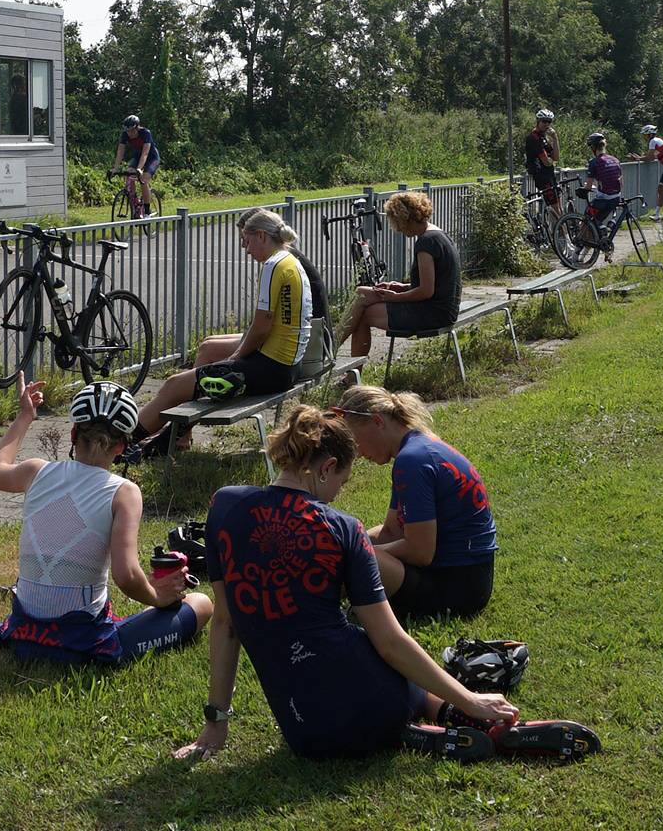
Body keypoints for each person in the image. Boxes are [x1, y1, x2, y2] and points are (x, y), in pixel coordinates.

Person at [173, 405, 597, 763]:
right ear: (328, 468)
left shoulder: (224, 506)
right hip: (376, 698)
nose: (338, 494)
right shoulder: (344, 529)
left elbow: (226, 624)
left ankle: (411, 732)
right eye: (342, 481)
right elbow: (391, 642)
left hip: (305, 731)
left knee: (336, 670)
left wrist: (216, 725)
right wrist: (471, 697)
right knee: (367, 647)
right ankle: (450, 714)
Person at [0, 377, 212, 663]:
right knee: (201, 604)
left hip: (22, 631)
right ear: (121, 447)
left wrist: (25, 416)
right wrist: (157, 595)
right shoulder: (124, 492)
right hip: (82, 642)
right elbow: (127, 576)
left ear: (72, 433)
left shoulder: (35, 471)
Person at [126, 208, 320, 453]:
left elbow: (262, 327)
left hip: (271, 368)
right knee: (189, 375)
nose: (247, 250)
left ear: (261, 236)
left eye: (247, 242)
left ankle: (125, 443)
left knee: (174, 385)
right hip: (286, 367)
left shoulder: (273, 265)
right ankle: (168, 440)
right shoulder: (290, 260)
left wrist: (235, 358)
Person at [329, 385, 496, 620]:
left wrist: (357, 556)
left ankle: (317, 606)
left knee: (357, 558)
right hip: (472, 577)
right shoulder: (420, 445)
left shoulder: (412, 460)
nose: (356, 453)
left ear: (377, 421)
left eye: (356, 441)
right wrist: (342, 547)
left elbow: (420, 552)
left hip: (458, 590)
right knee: (350, 549)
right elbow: (391, 530)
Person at [334, 192, 460, 357]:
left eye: (396, 223)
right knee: (362, 294)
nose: (397, 229)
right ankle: (332, 349)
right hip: (443, 308)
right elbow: (434, 284)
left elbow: (426, 291)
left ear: (404, 219)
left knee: (362, 308)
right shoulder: (437, 234)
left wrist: (394, 297)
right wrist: (401, 287)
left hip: (434, 313)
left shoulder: (426, 243)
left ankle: (330, 352)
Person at [580, 131, 624, 261]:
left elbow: (588, 186)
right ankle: (603, 237)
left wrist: (584, 189)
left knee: (586, 221)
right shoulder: (615, 160)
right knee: (596, 222)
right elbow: (621, 181)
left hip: (603, 199)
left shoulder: (594, 162)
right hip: (615, 198)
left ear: (593, 148)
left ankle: (578, 254)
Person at [112, 115, 161, 217]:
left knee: (143, 179)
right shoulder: (125, 134)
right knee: (129, 173)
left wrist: (139, 168)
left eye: (132, 131)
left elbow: (145, 153)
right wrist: (115, 168)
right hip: (138, 156)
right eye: (128, 131)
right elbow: (120, 151)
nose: (129, 134)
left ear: (137, 128)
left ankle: (147, 211)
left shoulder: (145, 133)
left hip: (152, 158)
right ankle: (136, 203)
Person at [524, 108, 561, 225]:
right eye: (544, 121)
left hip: (549, 175)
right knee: (556, 210)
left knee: (559, 209)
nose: (547, 124)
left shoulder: (543, 137)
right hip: (542, 176)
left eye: (549, 122)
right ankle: (564, 239)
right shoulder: (534, 138)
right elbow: (546, 162)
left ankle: (560, 237)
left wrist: (555, 138)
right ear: (538, 121)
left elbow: (555, 157)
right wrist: (550, 161)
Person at [635, 124, 663, 218]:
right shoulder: (658, 141)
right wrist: (641, 158)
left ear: (649, 134)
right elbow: (655, 156)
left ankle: (657, 214)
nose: (644, 137)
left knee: (661, 188)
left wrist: (638, 158)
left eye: (644, 135)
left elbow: (650, 157)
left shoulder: (653, 141)